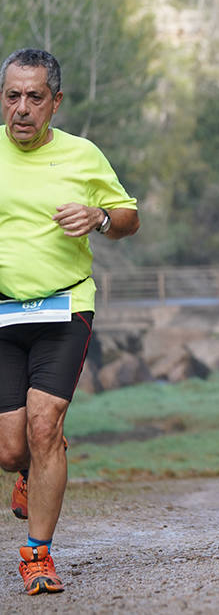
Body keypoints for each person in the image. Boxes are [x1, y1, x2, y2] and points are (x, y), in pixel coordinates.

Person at [0, 48, 139, 594]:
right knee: (12, 448)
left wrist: (100, 217)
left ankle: (37, 553)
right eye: (13, 96)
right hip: (2, 311)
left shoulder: (83, 156)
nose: (22, 108)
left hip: (65, 306)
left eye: (35, 97)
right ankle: (32, 469)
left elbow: (128, 216)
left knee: (45, 425)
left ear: (55, 102)